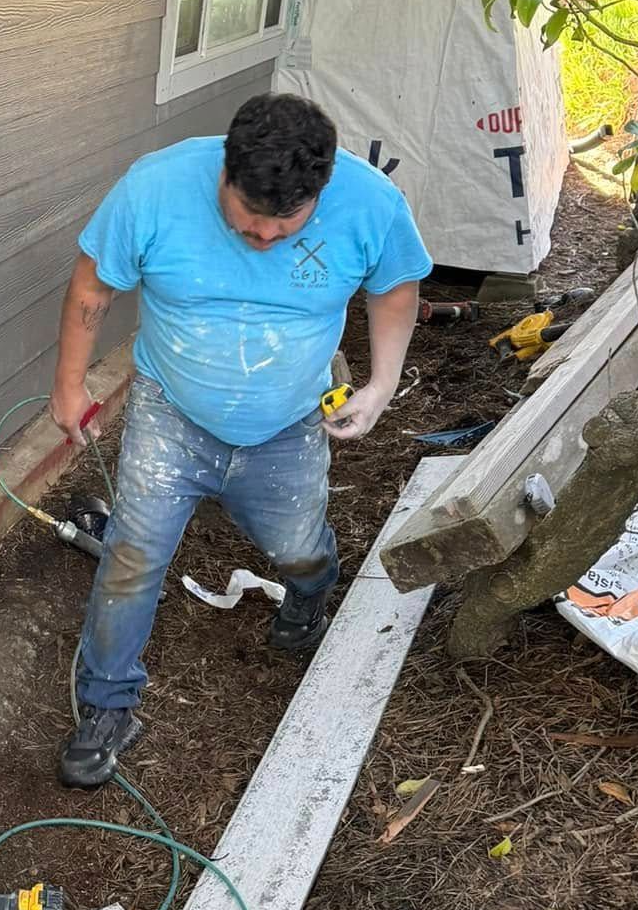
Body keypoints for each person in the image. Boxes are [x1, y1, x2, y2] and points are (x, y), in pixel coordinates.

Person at [50, 94, 431, 788]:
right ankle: (108, 705)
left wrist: (380, 386)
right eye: (249, 218)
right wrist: (69, 385)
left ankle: (308, 598)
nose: (263, 237)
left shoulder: (371, 204)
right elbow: (93, 286)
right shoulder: (155, 188)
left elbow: (396, 291)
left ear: (321, 190)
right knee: (133, 557)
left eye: (285, 225)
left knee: (299, 549)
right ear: (224, 172)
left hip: (288, 424)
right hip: (170, 413)